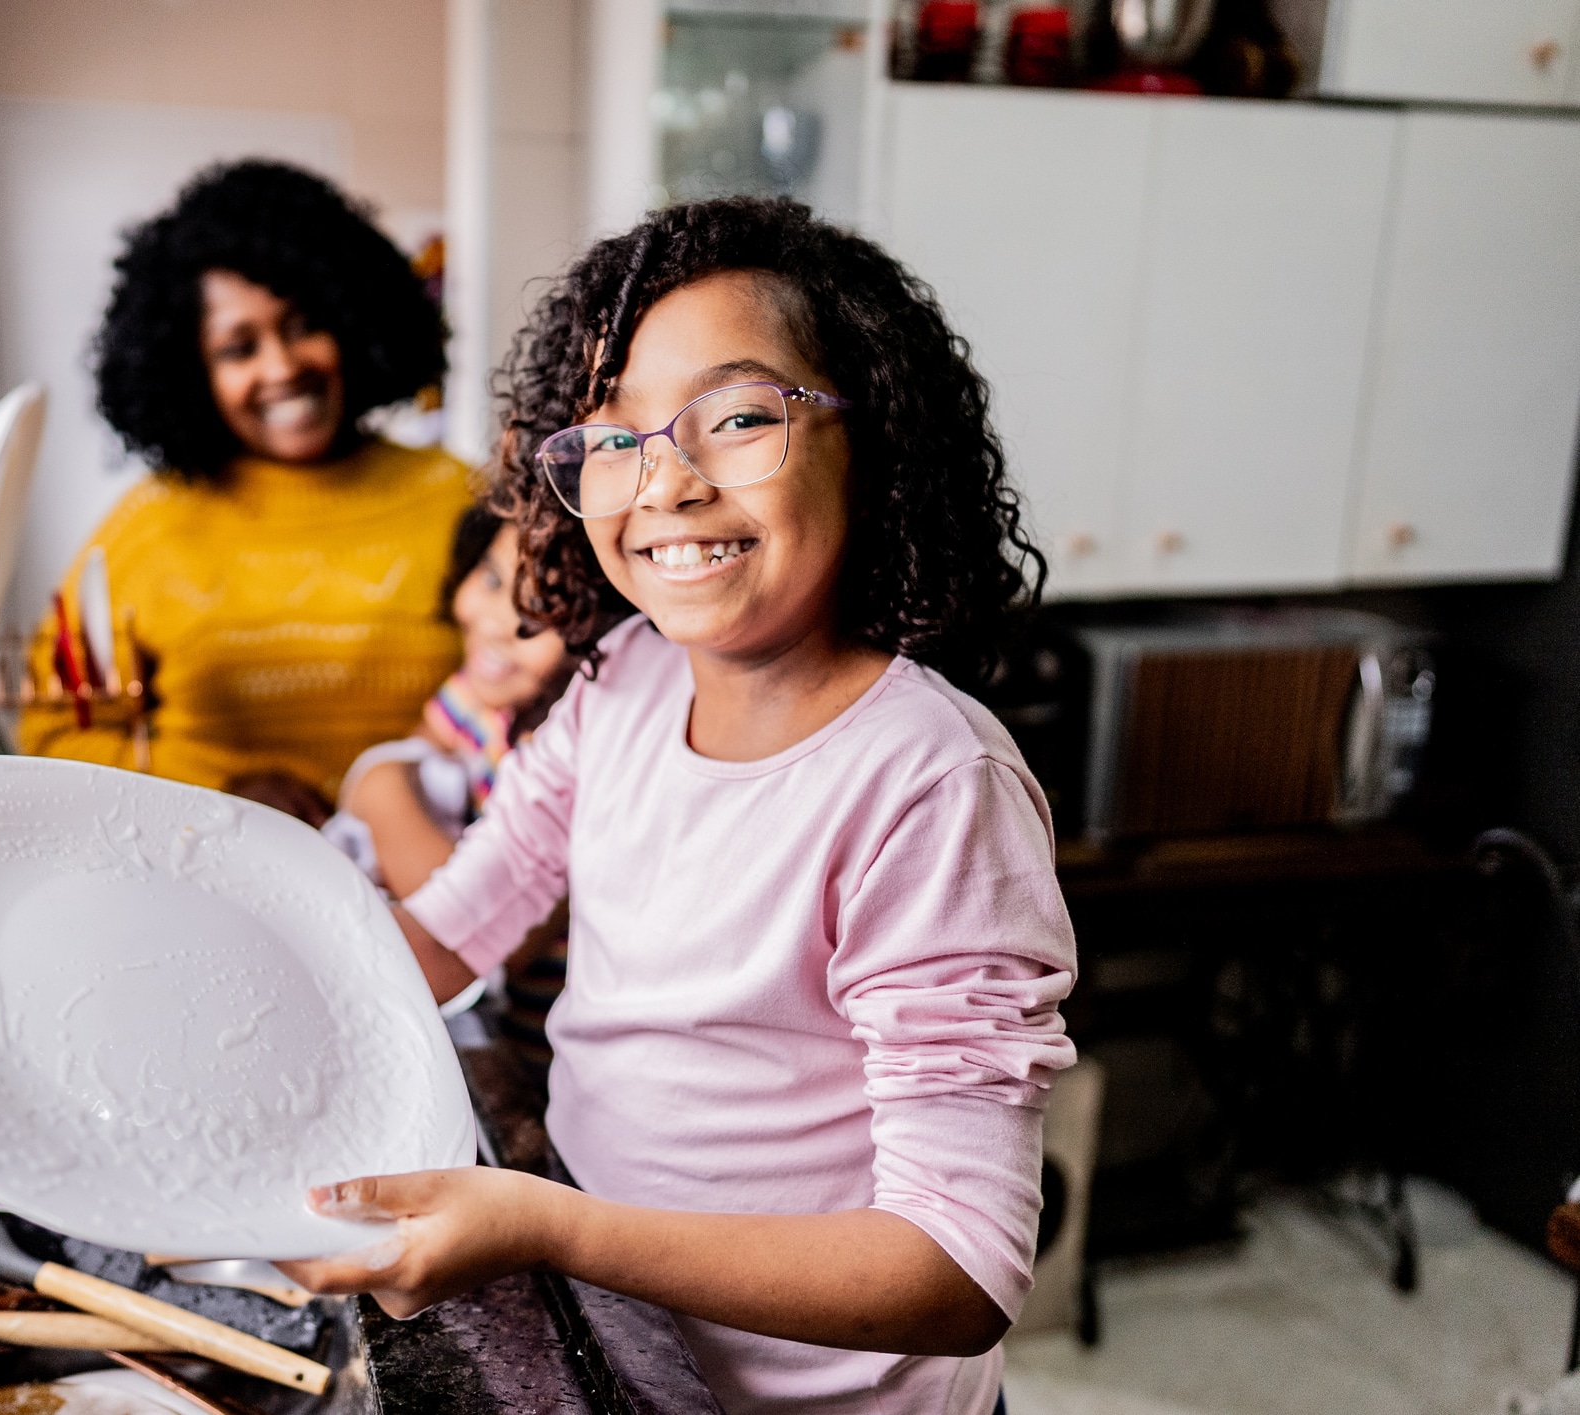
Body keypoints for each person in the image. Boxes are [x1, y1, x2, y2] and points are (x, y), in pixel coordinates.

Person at [279, 198, 1078, 1415]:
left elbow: (954, 1266)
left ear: (875, 437)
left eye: (740, 416)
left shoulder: (929, 782)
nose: (669, 482)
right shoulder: (622, 685)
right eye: (615, 439)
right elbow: (448, 929)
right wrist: (227, 1017)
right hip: (630, 1353)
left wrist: (555, 1226)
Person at [18, 162, 475, 823]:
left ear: (352, 321)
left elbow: (538, 695)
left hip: (429, 890)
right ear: (190, 369)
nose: (281, 367)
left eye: (301, 326)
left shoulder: (458, 497)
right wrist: (216, 795)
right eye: (239, 348)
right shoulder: (144, 528)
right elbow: (54, 733)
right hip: (204, 887)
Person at [322, 503, 575, 899]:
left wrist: (383, 789)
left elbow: (469, 927)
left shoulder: (572, 761)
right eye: (492, 580)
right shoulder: (477, 694)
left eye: (540, 610)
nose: (496, 623)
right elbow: (422, 746)